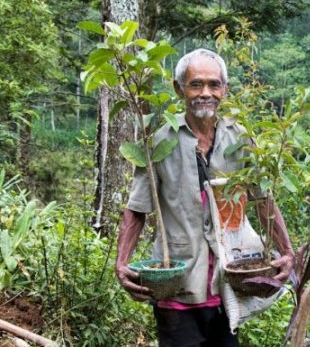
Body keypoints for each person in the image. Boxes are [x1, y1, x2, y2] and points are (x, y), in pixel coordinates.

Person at [115, 48, 295, 347]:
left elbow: (264, 200)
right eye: (196, 84)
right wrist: (121, 264)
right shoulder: (159, 143)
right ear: (178, 89)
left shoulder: (239, 139)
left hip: (229, 284)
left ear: (224, 89)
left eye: (214, 84)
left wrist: (287, 252)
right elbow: (137, 210)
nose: (205, 93)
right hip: (179, 286)